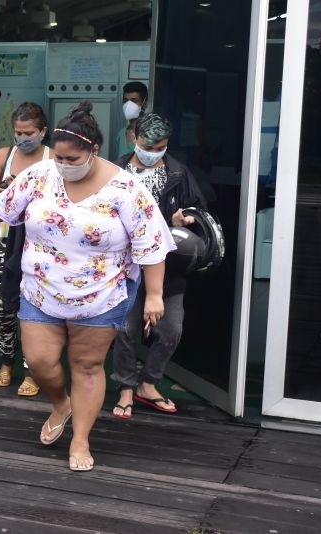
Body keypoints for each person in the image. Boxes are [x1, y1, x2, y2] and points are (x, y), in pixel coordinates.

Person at [0, 101, 175, 472]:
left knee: (88, 366)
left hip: (101, 296)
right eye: (58, 156)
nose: (62, 163)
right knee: (42, 362)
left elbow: (151, 245)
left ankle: (80, 438)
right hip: (40, 291)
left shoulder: (127, 188)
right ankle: (61, 403)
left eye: (70, 157)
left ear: (93, 150)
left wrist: (155, 296)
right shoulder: (41, 175)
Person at [111, 113, 207, 418]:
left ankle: (148, 383)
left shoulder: (178, 173)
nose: (151, 151)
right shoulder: (117, 170)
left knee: (171, 330)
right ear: (134, 139)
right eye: (145, 144)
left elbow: (199, 211)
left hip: (167, 267)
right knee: (125, 329)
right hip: (125, 266)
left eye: (159, 146)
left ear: (167, 144)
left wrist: (183, 219)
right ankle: (126, 386)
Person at [0, 102, 53, 396]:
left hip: (41, 244)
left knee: (35, 307)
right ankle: (7, 362)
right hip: (5, 241)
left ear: (43, 131)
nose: (23, 138)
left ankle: (33, 370)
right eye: (18, 132)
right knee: (2, 306)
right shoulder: (4, 155)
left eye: (29, 132)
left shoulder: (51, 157)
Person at [116, 82, 148, 158]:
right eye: (125, 100)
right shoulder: (121, 133)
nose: (128, 104)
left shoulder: (148, 134)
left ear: (144, 103)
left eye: (134, 100)